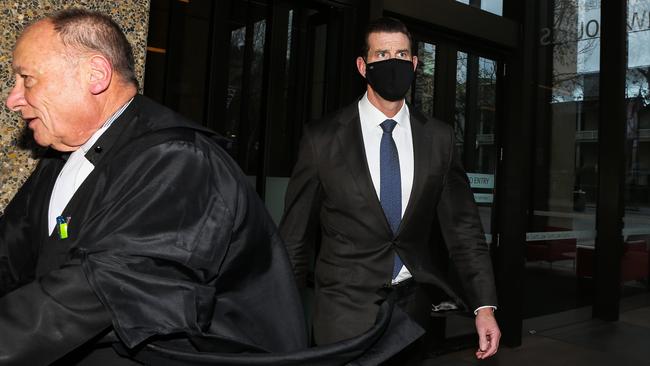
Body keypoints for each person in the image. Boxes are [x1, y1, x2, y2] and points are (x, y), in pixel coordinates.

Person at [0, 9, 308, 365]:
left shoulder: (180, 161)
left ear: (95, 75)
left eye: (27, 79)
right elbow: (10, 250)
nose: (13, 99)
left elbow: (101, 288)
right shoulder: (57, 160)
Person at [280, 17, 501, 363]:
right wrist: (284, 321)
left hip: (412, 315)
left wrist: (484, 307)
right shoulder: (322, 139)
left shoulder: (439, 139)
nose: (393, 62)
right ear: (362, 65)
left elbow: (464, 230)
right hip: (342, 314)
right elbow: (294, 240)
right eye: (382, 54)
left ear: (414, 64)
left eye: (401, 54)